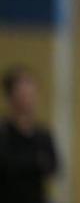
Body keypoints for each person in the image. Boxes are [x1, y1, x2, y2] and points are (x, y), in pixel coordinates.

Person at [0, 66, 59, 203]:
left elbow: (53, 166)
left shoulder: (42, 134)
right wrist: (35, 161)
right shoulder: (4, 133)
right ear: (11, 96)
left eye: (32, 92)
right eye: (23, 92)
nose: (29, 98)